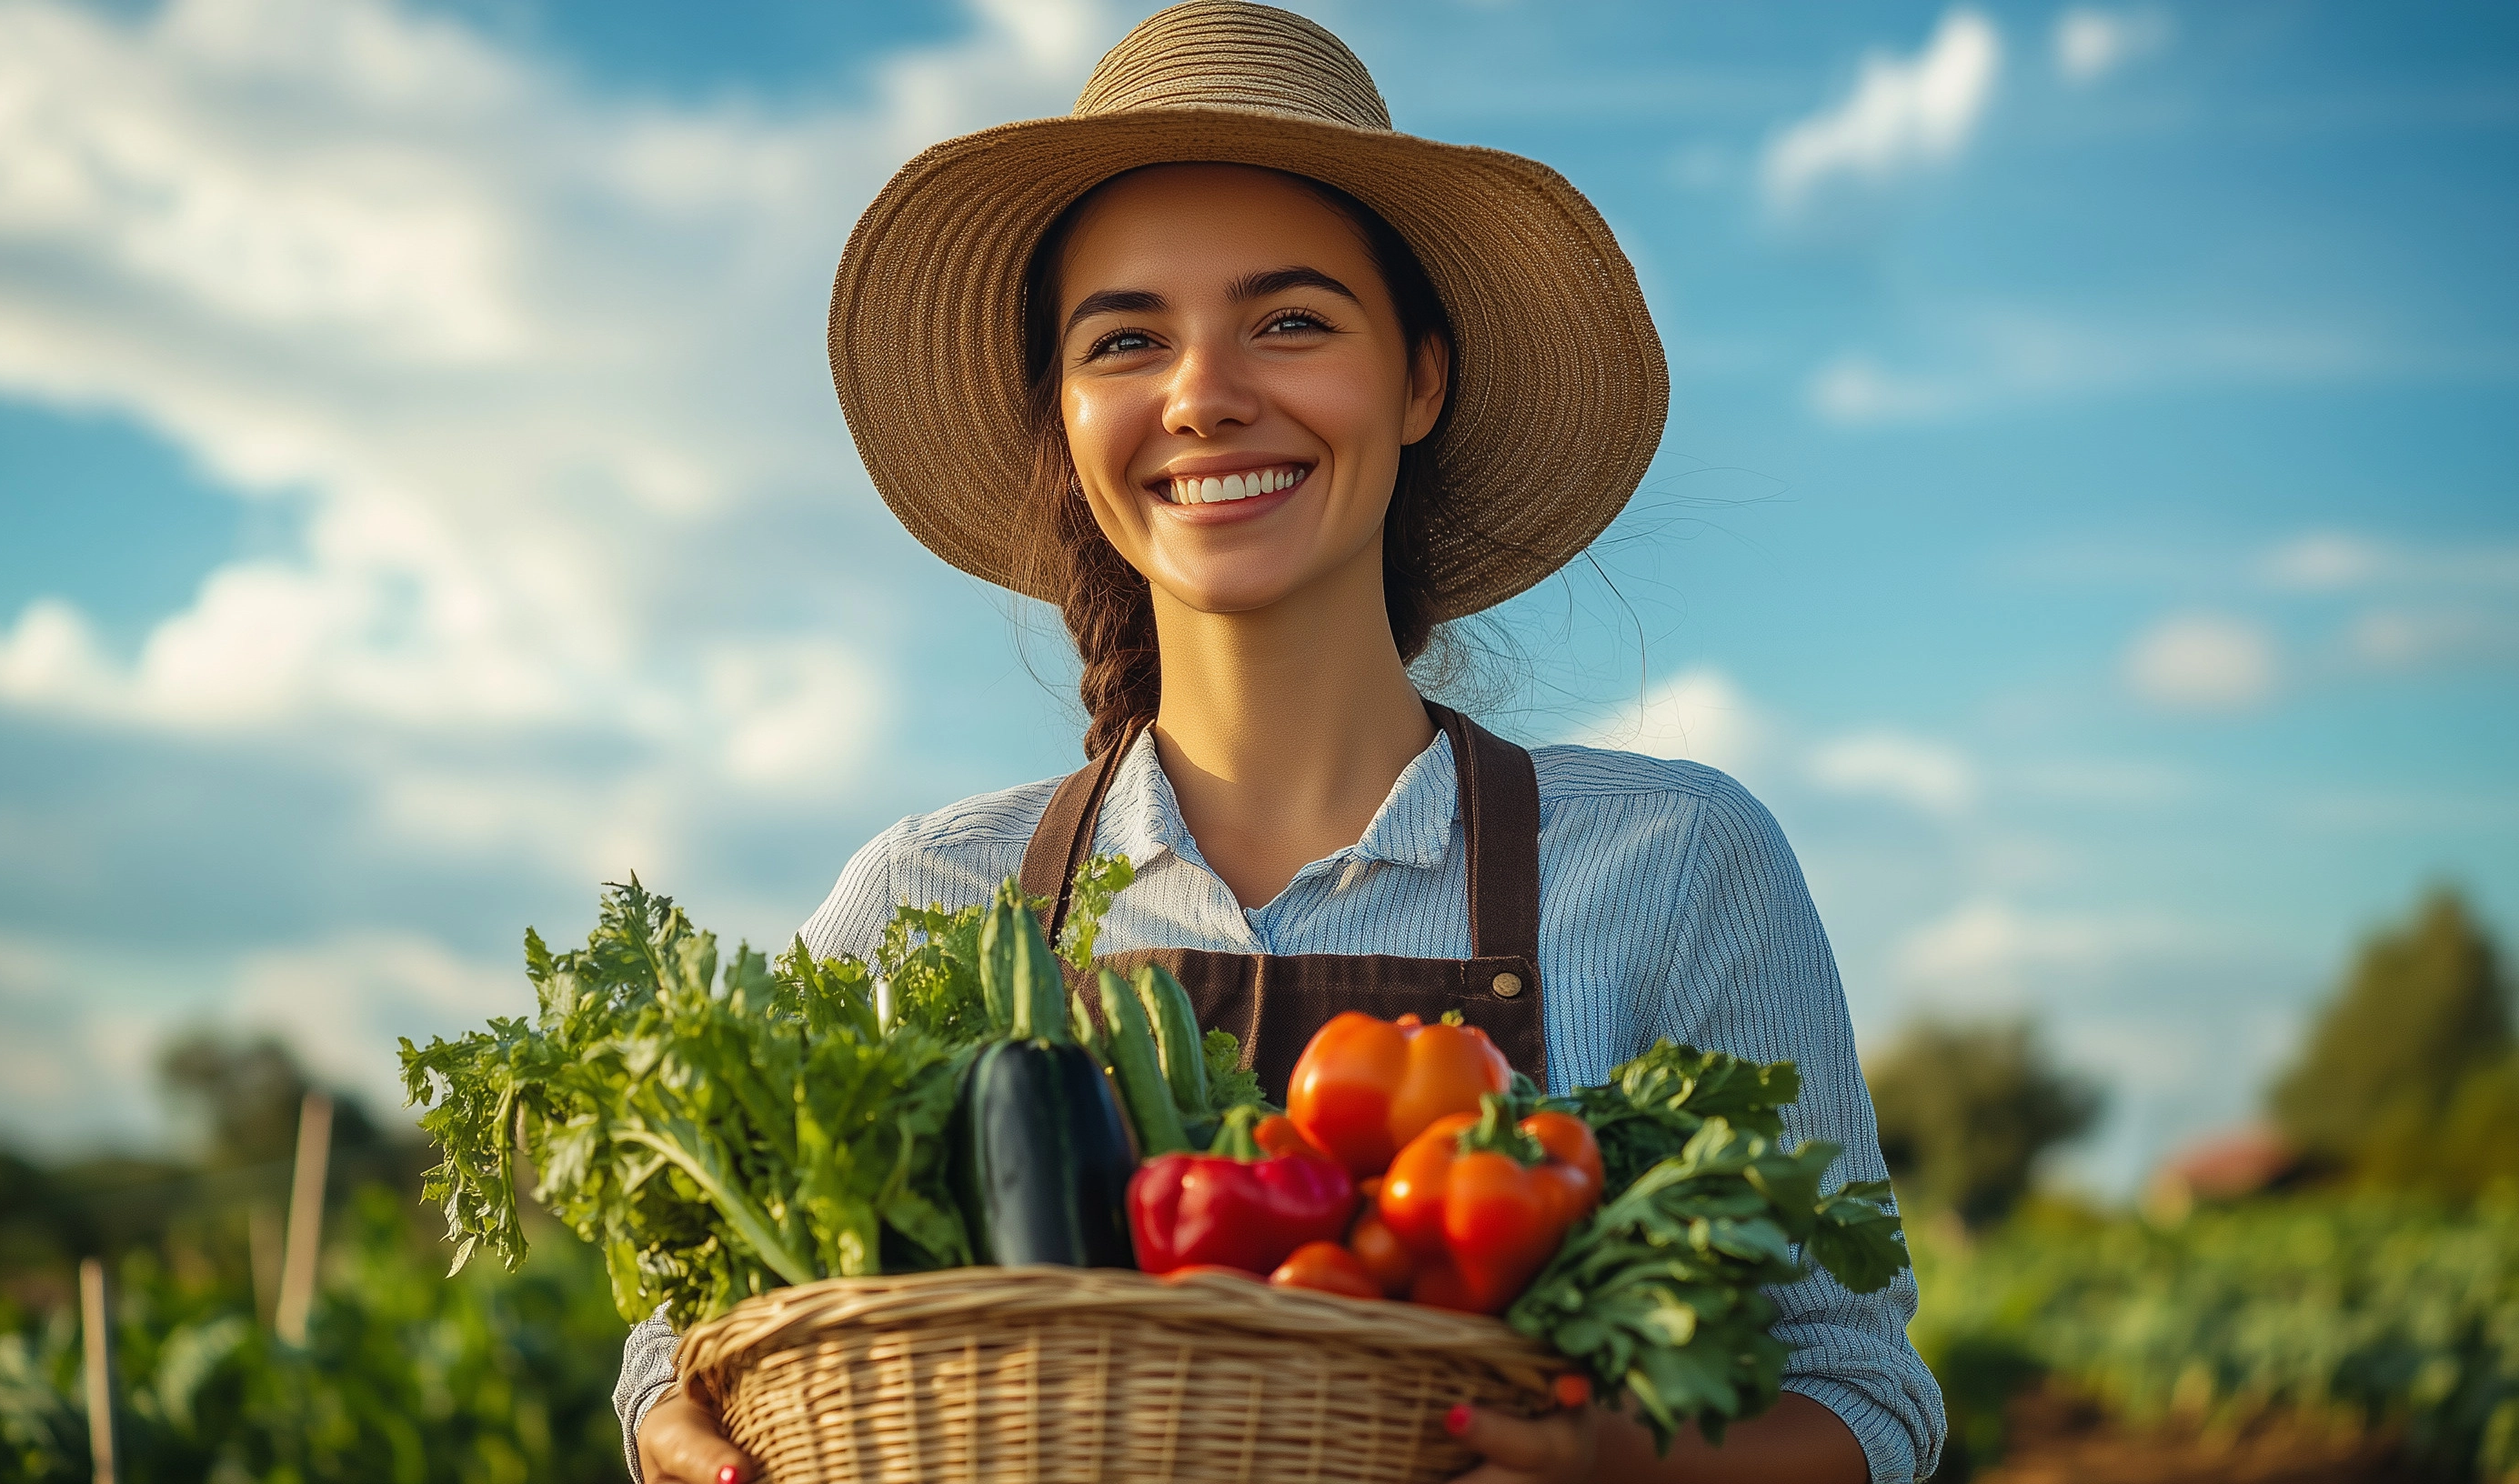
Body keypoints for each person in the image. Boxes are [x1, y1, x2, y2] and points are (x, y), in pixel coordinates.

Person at [619, 5, 1944, 1481]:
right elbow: (682, 1350)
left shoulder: (1673, 864)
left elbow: (1859, 1396)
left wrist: (1635, 1474)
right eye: (1126, 339)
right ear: (1064, 421)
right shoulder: (933, 892)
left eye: (1292, 321)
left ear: (1419, 380)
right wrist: (674, 1426)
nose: (1203, 393)